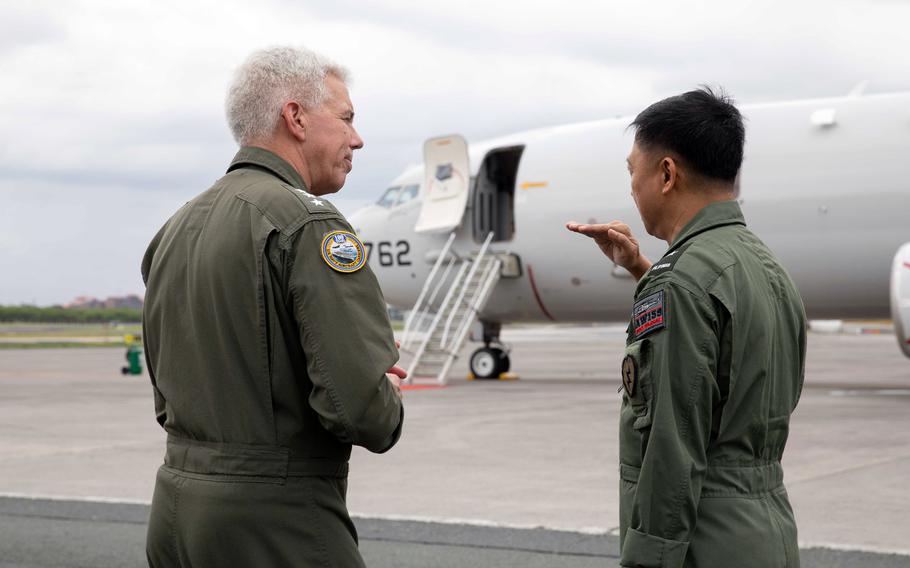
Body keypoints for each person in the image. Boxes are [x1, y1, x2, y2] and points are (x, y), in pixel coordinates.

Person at [141, 47, 405, 567]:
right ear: (296, 117)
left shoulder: (174, 228)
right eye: (347, 119)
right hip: (274, 523)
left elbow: (172, 394)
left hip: (175, 514)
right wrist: (383, 390)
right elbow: (363, 415)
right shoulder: (308, 223)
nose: (357, 138)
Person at [567, 87, 806, 568]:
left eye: (633, 172)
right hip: (765, 533)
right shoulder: (767, 269)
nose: (632, 189)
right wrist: (644, 270)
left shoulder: (683, 282)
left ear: (667, 174)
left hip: (703, 541)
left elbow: (672, 450)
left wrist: (647, 560)